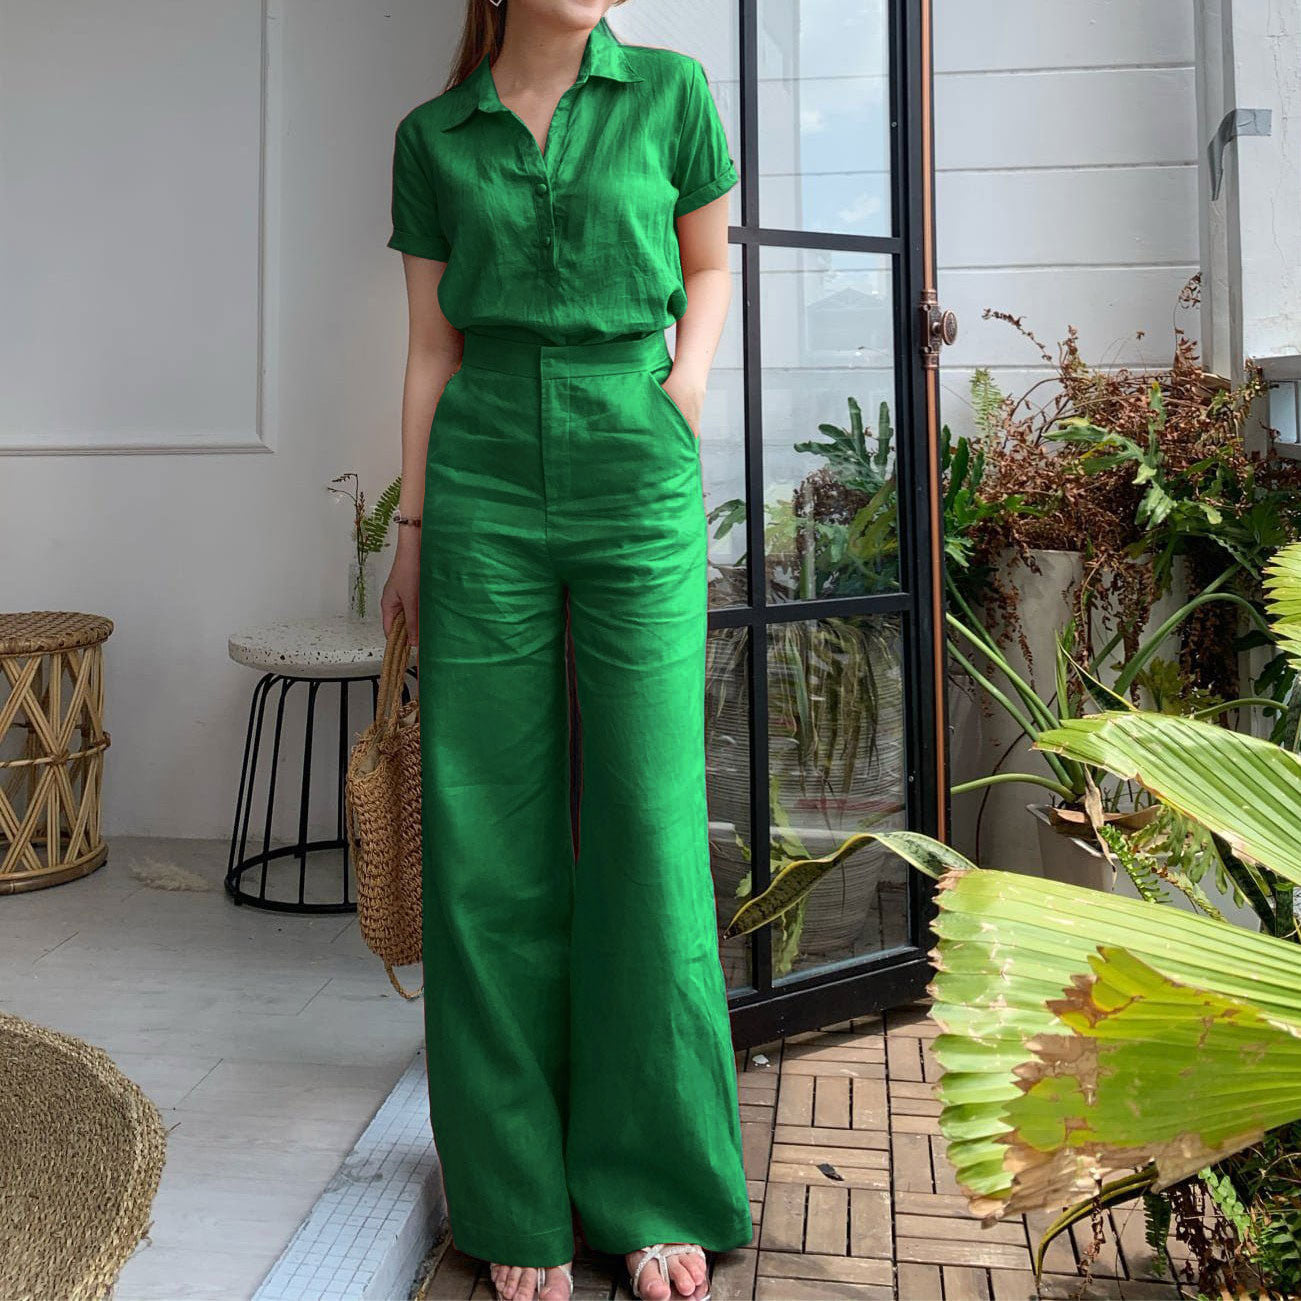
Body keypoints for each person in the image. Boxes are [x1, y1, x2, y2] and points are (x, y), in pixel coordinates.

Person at [380, 4, 749, 1299]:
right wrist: (411, 528)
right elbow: (432, 346)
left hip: (634, 467)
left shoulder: (672, 92)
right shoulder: (434, 136)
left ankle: (654, 1186)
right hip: (480, 478)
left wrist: (683, 389)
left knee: (648, 819)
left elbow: (708, 266)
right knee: (487, 831)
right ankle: (513, 1195)